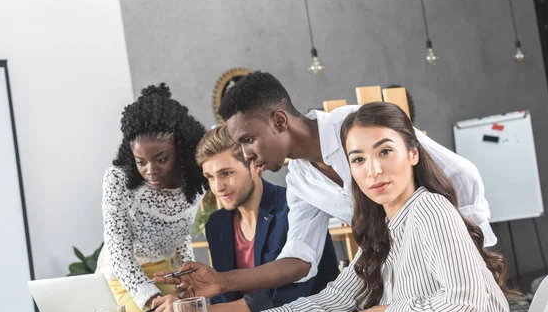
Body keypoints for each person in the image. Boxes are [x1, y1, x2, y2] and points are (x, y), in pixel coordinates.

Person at [154, 71, 496, 300]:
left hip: (455, 271)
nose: (246, 154)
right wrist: (221, 281)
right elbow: (300, 260)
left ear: (279, 120)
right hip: (400, 284)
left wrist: (467, 248)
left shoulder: (357, 124)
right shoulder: (300, 180)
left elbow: (462, 174)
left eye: (248, 139)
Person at [208, 102, 512, 312]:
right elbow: (334, 299)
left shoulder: (429, 208)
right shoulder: (382, 230)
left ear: (413, 155)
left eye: (385, 152)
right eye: (358, 159)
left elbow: (466, 304)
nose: (374, 170)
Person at [151, 125, 339, 312]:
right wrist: (188, 305)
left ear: (255, 165)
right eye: (210, 177)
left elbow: (286, 297)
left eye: (226, 173)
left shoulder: (294, 209)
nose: (217, 187)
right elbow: (223, 298)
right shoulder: (217, 225)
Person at [95, 83, 207, 312]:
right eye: (141, 161)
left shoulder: (195, 181)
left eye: (161, 159)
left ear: (181, 150)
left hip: (165, 274)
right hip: (120, 280)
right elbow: (119, 254)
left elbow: (181, 236)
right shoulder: (118, 180)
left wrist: (189, 287)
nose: (150, 170)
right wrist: (154, 300)